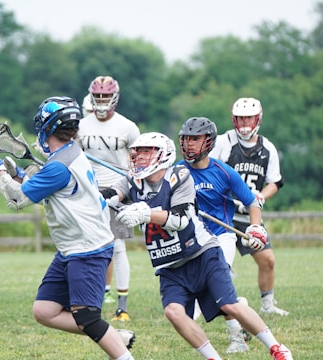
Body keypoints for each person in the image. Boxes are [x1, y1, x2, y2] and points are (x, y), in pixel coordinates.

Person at [101, 132, 294, 360]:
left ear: (163, 156)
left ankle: (277, 348)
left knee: (230, 305)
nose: (140, 158)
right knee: (173, 312)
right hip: (170, 263)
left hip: (202, 253)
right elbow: (110, 194)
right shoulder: (132, 180)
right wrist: (97, 197)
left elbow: (179, 219)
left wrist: (144, 213)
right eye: (138, 153)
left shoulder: (180, 176)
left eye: (147, 153)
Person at [0, 96, 135, 360]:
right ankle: (109, 334)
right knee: (45, 310)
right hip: (71, 249)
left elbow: (19, 199)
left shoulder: (59, 166)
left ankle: (112, 343)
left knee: (86, 316)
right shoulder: (68, 155)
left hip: (87, 249)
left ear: (48, 127)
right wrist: (18, 175)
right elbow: (49, 189)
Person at [177, 117, 266, 353]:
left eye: (194, 139)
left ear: (207, 142)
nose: (188, 144)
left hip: (221, 237)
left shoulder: (224, 172)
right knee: (199, 305)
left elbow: (252, 202)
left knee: (215, 289)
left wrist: (255, 228)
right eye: (186, 139)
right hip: (192, 239)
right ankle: (240, 306)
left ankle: (238, 340)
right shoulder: (176, 171)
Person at [209, 97, 289, 316]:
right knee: (218, 264)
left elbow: (275, 182)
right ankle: (213, 304)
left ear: (258, 119)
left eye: (249, 118)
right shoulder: (223, 142)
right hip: (222, 213)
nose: (244, 123)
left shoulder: (267, 148)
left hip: (249, 215)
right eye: (240, 118)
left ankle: (268, 305)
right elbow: (208, 170)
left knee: (267, 259)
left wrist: (261, 198)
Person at [77, 75, 140, 322]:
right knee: (87, 244)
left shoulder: (128, 127)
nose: (102, 101)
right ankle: (91, 298)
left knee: (117, 247)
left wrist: (131, 186)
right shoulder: (81, 125)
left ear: (114, 97)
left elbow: (138, 161)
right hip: (89, 191)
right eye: (98, 96)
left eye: (106, 96)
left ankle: (122, 306)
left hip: (118, 190)